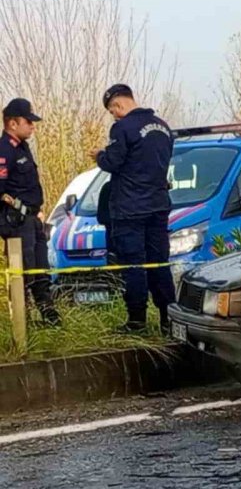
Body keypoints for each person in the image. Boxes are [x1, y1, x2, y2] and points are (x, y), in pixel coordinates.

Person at [90, 84, 175, 333]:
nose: (114, 116)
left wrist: (99, 156)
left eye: (112, 110)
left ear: (117, 104)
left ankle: (137, 321)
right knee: (159, 264)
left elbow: (113, 162)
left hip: (130, 210)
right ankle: (168, 319)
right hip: (158, 207)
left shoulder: (122, 128)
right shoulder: (163, 127)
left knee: (133, 265)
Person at [0, 98, 60, 326]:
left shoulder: (22, 147)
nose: (33, 126)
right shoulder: (4, 150)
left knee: (41, 270)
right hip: (16, 221)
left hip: (32, 218)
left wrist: (36, 211)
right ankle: (22, 325)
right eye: (28, 122)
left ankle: (49, 317)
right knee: (24, 273)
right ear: (13, 123)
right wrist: (18, 209)